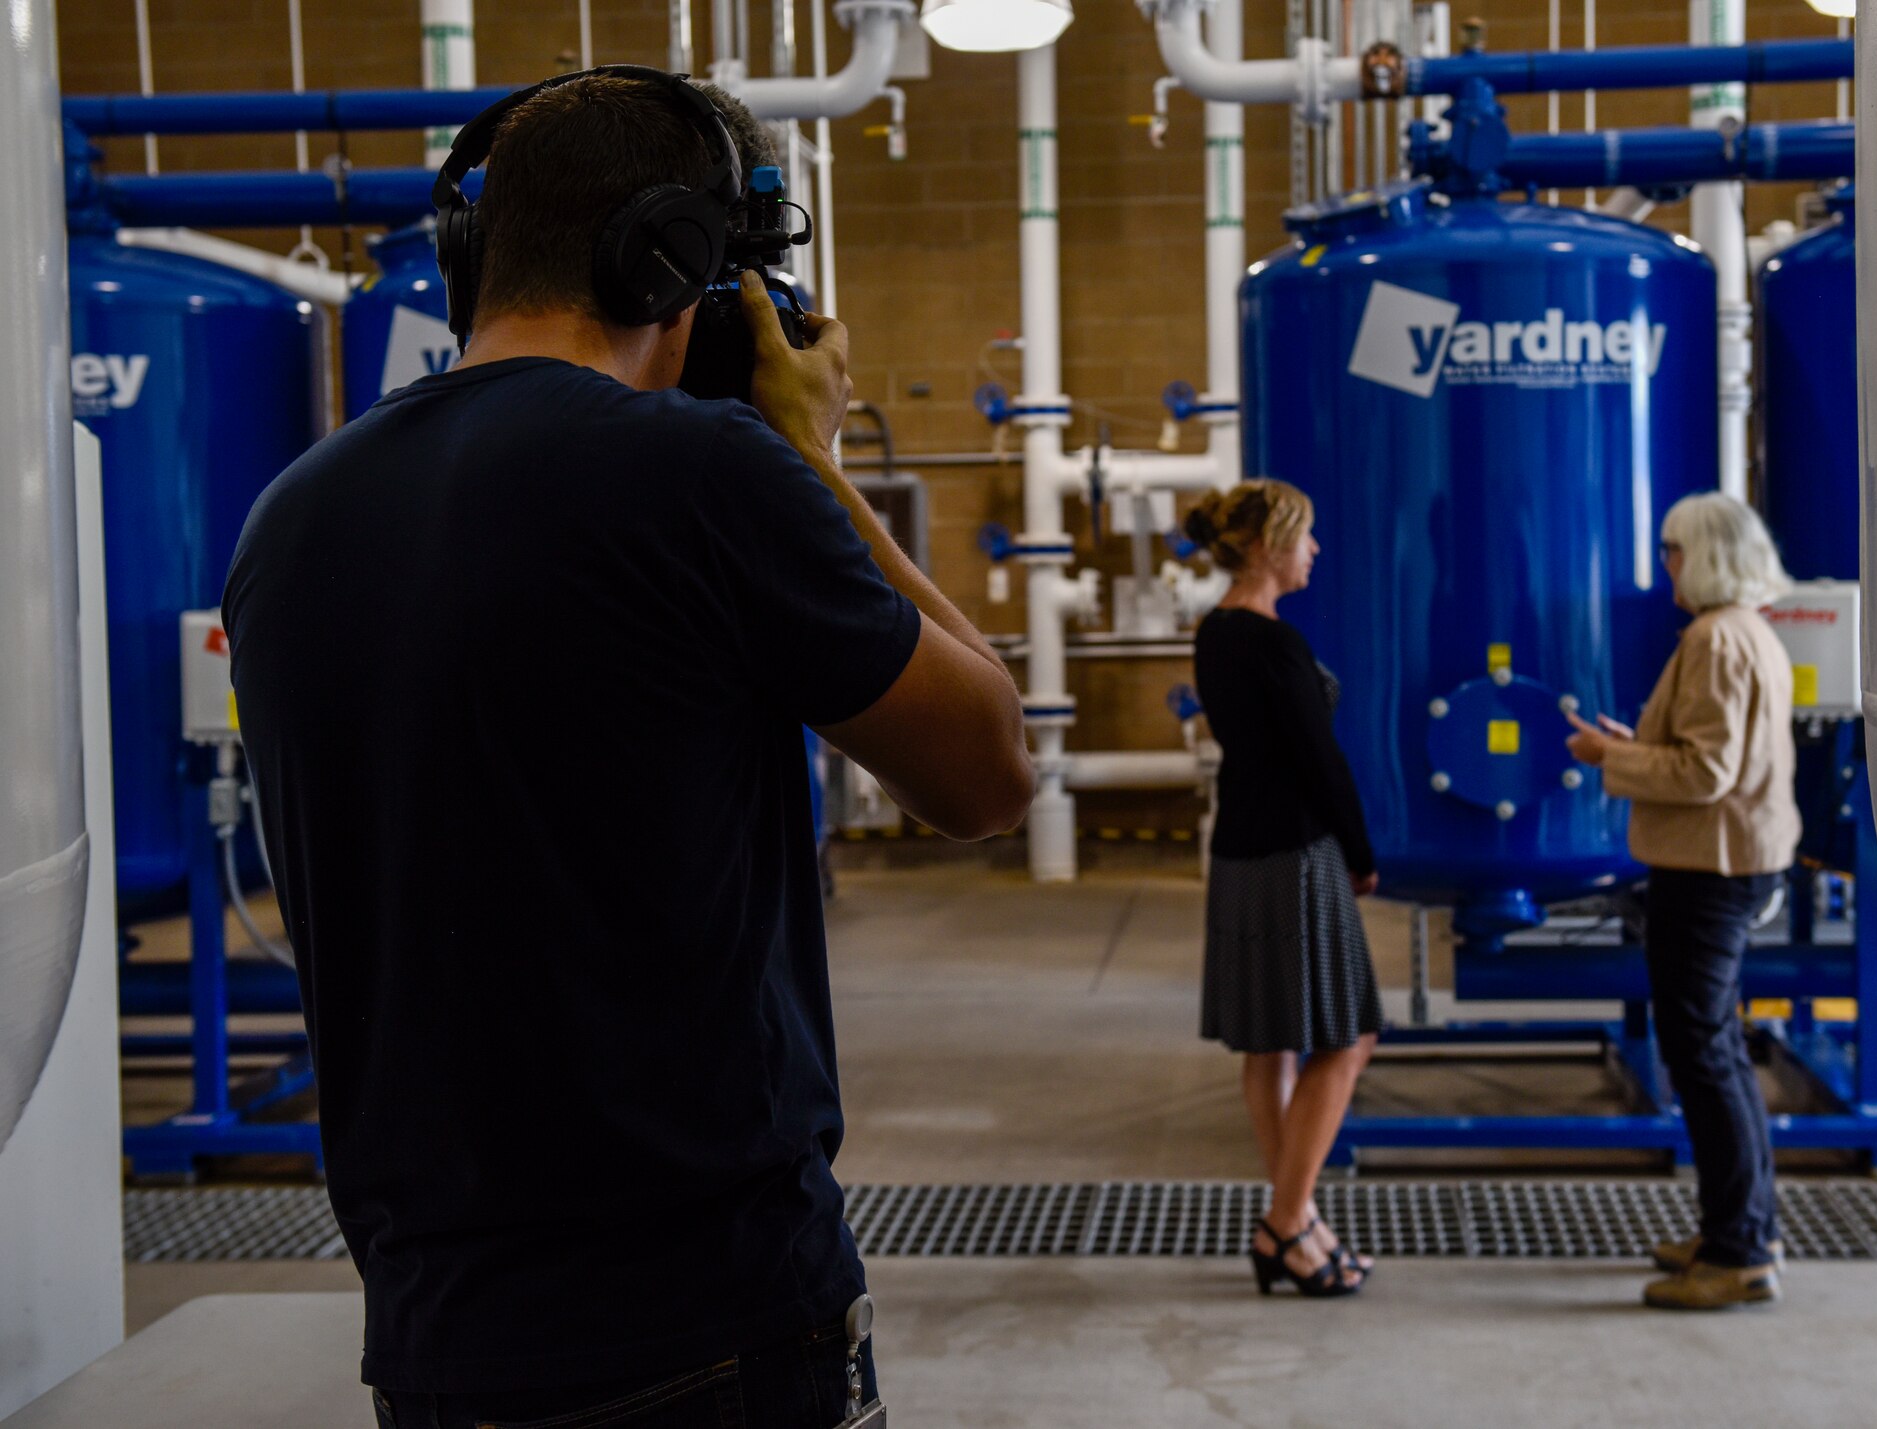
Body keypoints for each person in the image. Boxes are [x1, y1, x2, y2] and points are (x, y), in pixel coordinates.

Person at [223, 70, 1033, 1427]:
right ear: (679, 265)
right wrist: (809, 448)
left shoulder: (288, 522)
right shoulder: (707, 475)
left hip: (434, 1338)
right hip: (707, 1321)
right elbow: (987, 769)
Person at [1565, 491, 1801, 1312]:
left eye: (1671, 550)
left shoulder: (1713, 639)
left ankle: (1737, 1251)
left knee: (1702, 1056)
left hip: (1710, 871)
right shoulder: (1750, 632)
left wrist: (1608, 757)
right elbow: (1713, 757)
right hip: (1732, 861)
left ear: (1700, 555)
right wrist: (1638, 749)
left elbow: (1706, 775)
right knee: (1719, 1054)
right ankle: (1744, 1228)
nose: (1664, 564)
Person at [1187, 480, 1381, 1299]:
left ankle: (1295, 1222)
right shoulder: (1275, 643)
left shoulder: (1213, 633)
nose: (1316, 551)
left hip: (1237, 854)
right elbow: (1319, 761)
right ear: (1269, 546)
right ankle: (1288, 1221)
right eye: (1306, 538)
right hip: (1297, 857)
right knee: (1349, 1036)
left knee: (1273, 1043)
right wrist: (1363, 852)